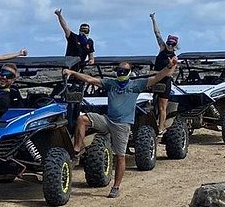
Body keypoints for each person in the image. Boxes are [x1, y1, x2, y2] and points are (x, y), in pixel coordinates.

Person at [63, 59, 175, 198]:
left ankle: (116, 187)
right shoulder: (111, 83)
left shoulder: (135, 85)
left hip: (122, 125)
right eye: (119, 71)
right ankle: (77, 150)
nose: (121, 73)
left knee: (120, 156)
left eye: (124, 71)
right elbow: (90, 79)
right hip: (107, 120)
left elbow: (157, 77)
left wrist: (169, 66)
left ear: (129, 72)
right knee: (82, 119)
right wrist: (73, 72)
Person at [148, 12, 179, 135]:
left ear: (175, 45)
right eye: (169, 43)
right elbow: (157, 33)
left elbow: (169, 73)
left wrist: (156, 73)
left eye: (172, 44)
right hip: (154, 79)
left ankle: (161, 128)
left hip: (164, 82)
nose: (170, 45)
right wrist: (153, 19)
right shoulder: (162, 48)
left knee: (162, 107)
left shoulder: (174, 58)